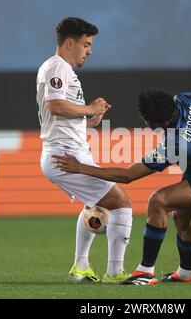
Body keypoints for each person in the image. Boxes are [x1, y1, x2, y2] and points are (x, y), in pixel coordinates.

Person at [54, 90, 191, 285]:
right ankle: (186, 274)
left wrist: (80, 168)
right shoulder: (189, 99)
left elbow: (128, 176)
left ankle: (145, 272)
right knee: (181, 218)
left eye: (145, 120)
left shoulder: (174, 142)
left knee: (158, 201)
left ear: (155, 124)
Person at [36, 17, 133, 284]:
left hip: (70, 150)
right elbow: (55, 106)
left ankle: (80, 266)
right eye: (86, 44)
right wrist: (89, 108)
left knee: (97, 208)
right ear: (70, 43)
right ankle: (115, 274)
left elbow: (62, 115)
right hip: (65, 155)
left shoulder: (64, 71)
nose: (89, 51)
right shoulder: (57, 68)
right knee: (121, 203)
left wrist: (91, 119)